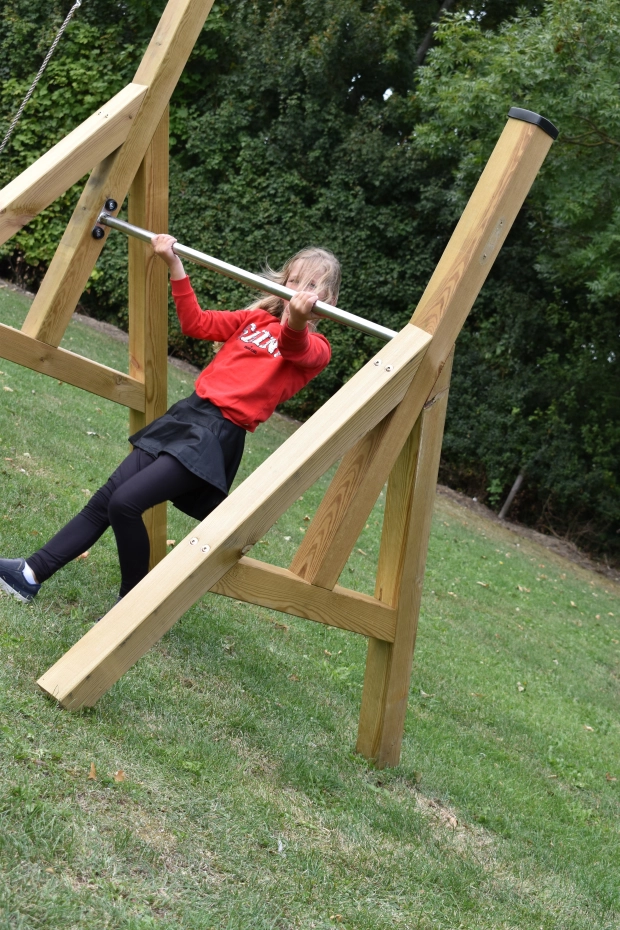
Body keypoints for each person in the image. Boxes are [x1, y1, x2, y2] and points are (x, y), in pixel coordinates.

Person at [0, 237, 340, 609]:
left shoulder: (318, 348)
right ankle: (30, 573)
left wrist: (298, 319)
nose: (299, 290)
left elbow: (293, 346)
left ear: (329, 299)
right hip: (187, 414)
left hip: (216, 435)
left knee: (125, 503)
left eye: (312, 285)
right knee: (106, 500)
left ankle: (132, 606)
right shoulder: (254, 320)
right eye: (294, 281)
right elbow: (195, 323)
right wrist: (174, 264)